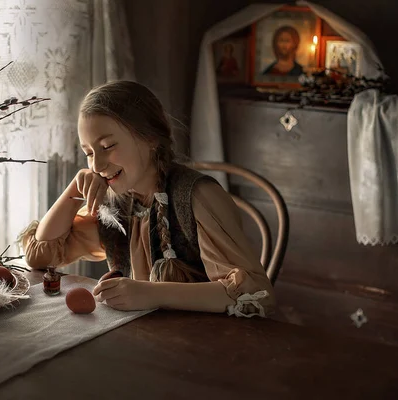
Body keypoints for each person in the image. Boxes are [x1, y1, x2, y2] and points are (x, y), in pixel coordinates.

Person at [19, 81, 275, 317]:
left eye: (107, 146)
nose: (97, 164)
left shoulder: (197, 197)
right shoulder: (115, 202)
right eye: (88, 153)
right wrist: (74, 192)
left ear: (150, 138)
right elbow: (41, 258)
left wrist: (151, 293)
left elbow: (254, 295)